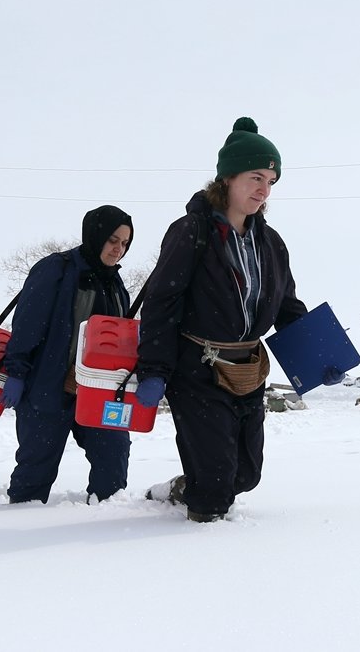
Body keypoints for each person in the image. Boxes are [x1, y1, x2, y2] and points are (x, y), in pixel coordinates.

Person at [135, 117, 342, 523]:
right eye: (256, 177)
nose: (264, 189)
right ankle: (201, 542)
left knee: (245, 475)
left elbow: (287, 307)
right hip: (197, 369)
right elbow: (162, 301)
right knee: (214, 490)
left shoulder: (271, 243)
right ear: (227, 178)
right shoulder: (191, 231)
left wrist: (320, 359)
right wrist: (154, 369)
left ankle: (181, 486)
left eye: (271, 180)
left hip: (248, 369)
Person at [1, 205, 135, 504]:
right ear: (95, 234)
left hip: (99, 392)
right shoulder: (57, 270)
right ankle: (14, 538)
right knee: (35, 472)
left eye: (124, 244)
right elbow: (28, 325)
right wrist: (17, 372)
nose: (118, 250)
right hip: (47, 389)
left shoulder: (116, 284)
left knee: (113, 463)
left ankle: (100, 534)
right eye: (113, 240)